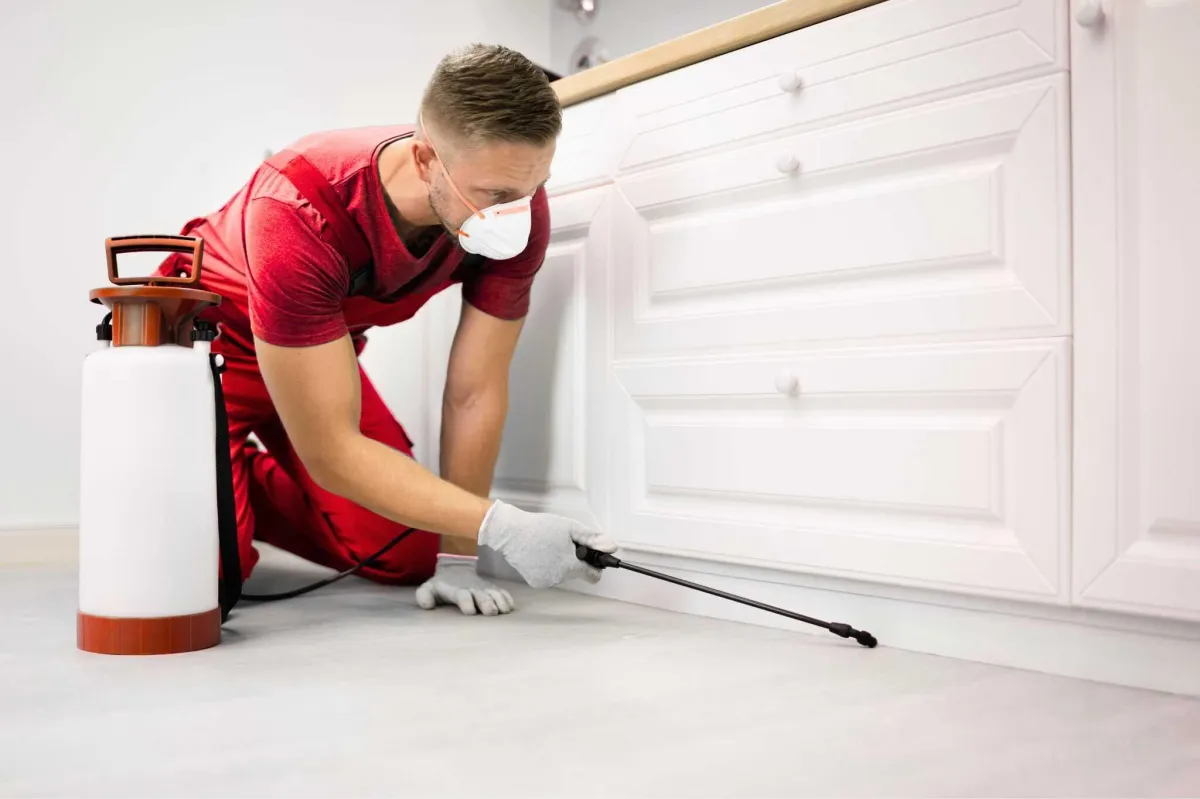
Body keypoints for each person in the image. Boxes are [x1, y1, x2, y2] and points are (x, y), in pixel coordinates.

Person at [155, 44, 618, 618]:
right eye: (496, 194)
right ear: (426, 159)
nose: (518, 212)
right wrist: (500, 524)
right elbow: (332, 452)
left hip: (319, 355)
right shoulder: (299, 208)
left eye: (532, 187)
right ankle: (218, 465)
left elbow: (474, 393)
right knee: (203, 585)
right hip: (212, 348)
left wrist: (458, 559)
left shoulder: (517, 207)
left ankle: (237, 481)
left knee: (407, 554)